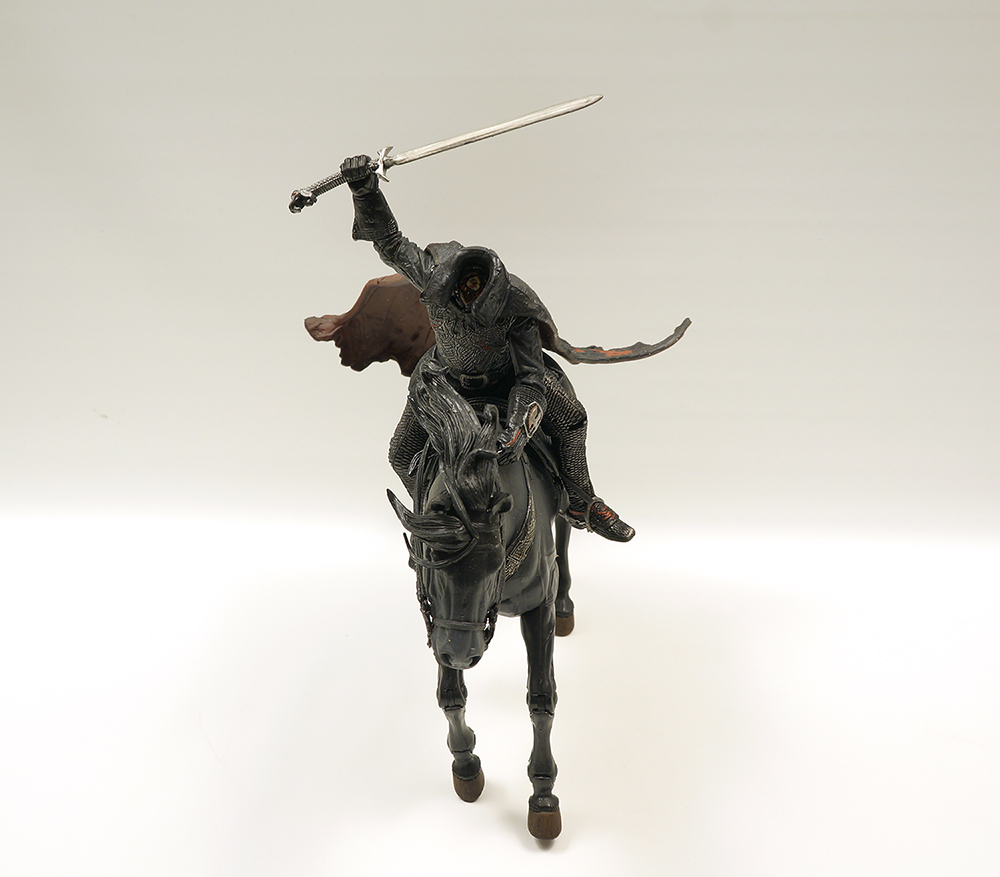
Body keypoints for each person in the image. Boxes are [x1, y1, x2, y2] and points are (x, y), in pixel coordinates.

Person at [340, 154, 636, 541]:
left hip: (506, 380)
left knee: (571, 420)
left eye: (476, 293)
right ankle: (435, 522)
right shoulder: (433, 274)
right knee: (400, 453)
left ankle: (582, 502)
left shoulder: (517, 307)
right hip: (441, 381)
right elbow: (390, 243)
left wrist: (516, 431)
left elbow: (530, 376)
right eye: (462, 288)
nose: (466, 296)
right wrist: (365, 191)